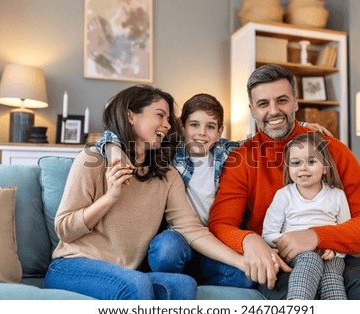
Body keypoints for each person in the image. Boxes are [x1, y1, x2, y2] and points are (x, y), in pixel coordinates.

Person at [96, 93, 330, 288]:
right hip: (179, 239)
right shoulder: (168, 152)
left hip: (215, 242)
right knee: (166, 250)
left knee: (248, 278)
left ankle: (193, 279)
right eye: (194, 125)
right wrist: (113, 151)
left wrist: (301, 129)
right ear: (182, 127)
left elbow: (268, 142)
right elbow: (112, 135)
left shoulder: (227, 153)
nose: (202, 133)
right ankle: (174, 281)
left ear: (219, 132)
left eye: (210, 127)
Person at [44, 85, 251, 300]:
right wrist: (110, 197)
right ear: (130, 116)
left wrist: (241, 262)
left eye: (169, 119)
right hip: (73, 266)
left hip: (128, 273)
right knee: (136, 285)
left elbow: (192, 230)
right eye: (160, 115)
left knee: (184, 285)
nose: (167, 125)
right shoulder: (93, 160)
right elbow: (64, 230)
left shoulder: (166, 174)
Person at [208, 64, 360, 299]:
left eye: (282, 100)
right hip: (281, 257)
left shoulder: (332, 149)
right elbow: (220, 225)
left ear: (296, 102)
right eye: (263, 104)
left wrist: (315, 235)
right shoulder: (242, 158)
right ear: (252, 110)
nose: (273, 111)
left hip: (336, 256)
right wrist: (250, 239)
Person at [262, 132, 350, 300]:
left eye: (311, 161)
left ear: (325, 167)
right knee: (310, 259)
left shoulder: (337, 195)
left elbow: (346, 232)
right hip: (298, 254)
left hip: (330, 255)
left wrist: (335, 249)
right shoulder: (284, 195)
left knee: (332, 280)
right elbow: (268, 234)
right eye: (296, 163)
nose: (303, 168)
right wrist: (290, 242)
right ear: (289, 168)